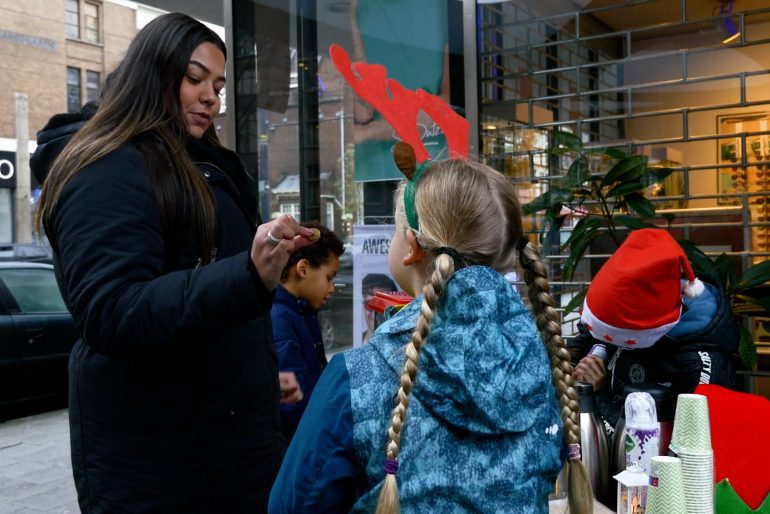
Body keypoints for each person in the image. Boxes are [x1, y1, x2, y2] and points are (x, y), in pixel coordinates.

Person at [31, 13, 316, 513]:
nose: (212, 96)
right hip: (161, 465)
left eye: (220, 84)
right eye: (195, 78)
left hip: (222, 443)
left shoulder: (197, 160)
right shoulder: (108, 167)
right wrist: (246, 274)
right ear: (154, 74)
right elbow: (112, 309)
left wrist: (252, 373)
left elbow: (199, 299)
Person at [269, 143, 594, 514]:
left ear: (411, 248)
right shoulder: (542, 365)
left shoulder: (356, 379)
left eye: (395, 229)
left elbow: (292, 504)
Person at [569, 228, 739, 435]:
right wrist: (568, 366)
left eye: (614, 334)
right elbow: (593, 334)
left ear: (644, 329)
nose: (605, 338)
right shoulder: (635, 309)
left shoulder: (699, 368)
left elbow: (669, 454)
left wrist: (599, 394)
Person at [272, 221, 344, 442]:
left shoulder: (303, 311)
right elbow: (297, 403)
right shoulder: (280, 319)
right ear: (303, 269)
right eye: (329, 278)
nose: (332, 288)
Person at [361, 272, 397, 344]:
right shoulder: (354, 343)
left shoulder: (405, 345)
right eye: (370, 305)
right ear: (362, 307)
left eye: (383, 304)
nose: (375, 313)